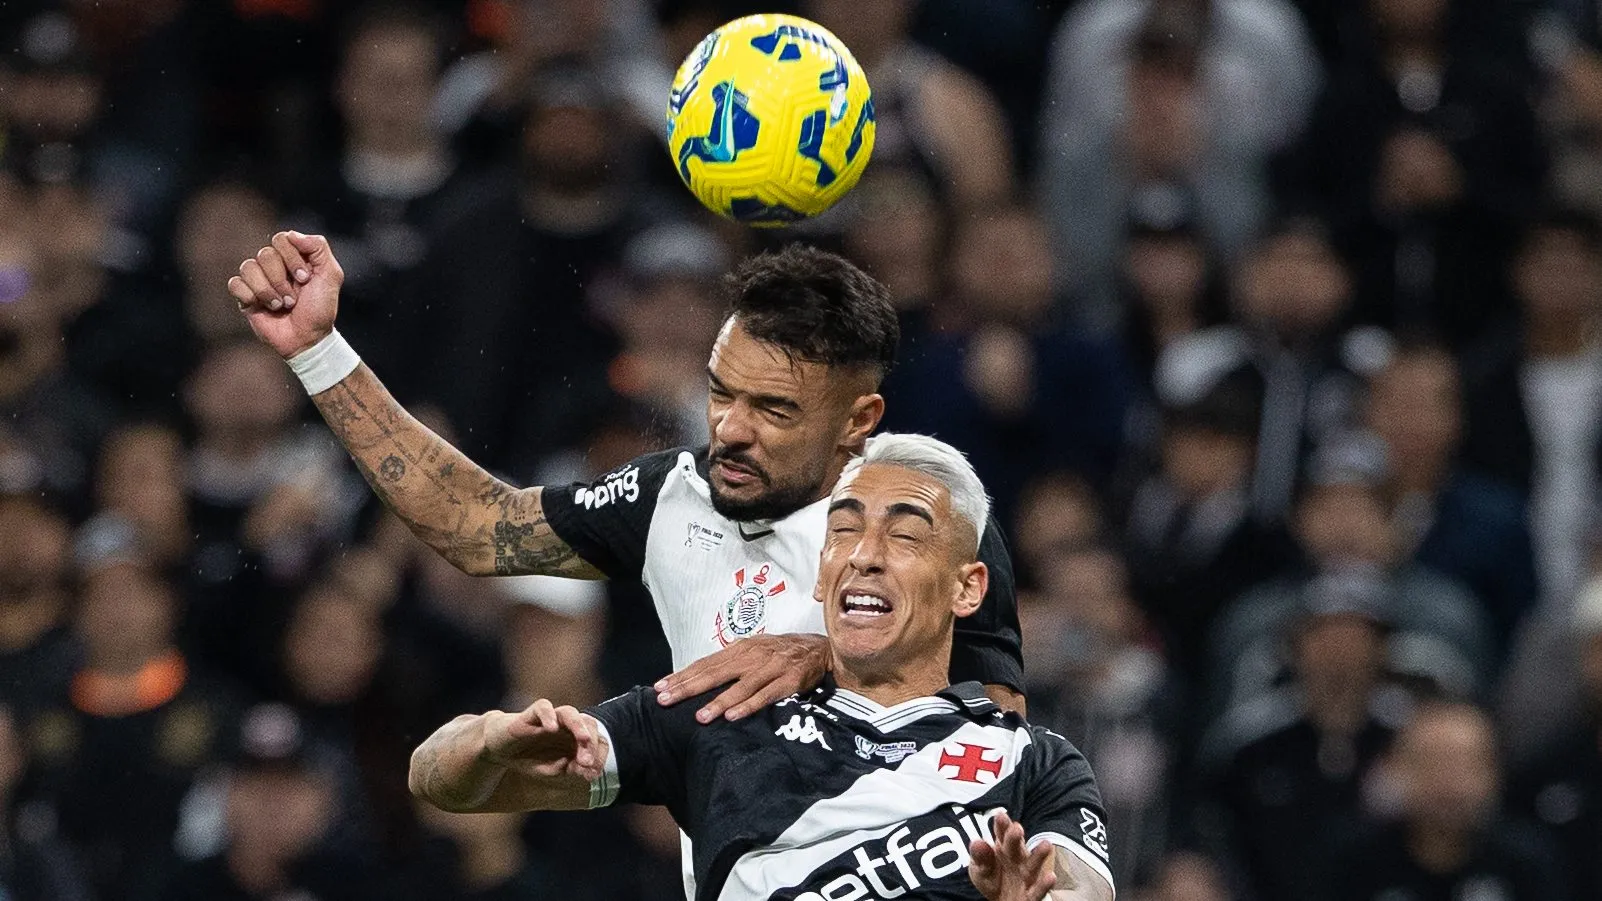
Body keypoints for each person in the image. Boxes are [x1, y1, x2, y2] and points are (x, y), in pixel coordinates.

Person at [225, 231, 1024, 722]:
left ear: (857, 420)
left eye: (775, 409)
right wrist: (318, 350)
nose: (731, 429)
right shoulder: (667, 494)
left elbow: (994, 739)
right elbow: (473, 523)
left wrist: (823, 658)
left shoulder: (937, 516)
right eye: (722, 395)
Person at [407, 433, 1114, 901]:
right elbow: (440, 780)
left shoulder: (1037, 763)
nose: (864, 554)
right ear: (821, 574)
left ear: (968, 588)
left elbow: (1081, 887)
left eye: (903, 535)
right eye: (844, 530)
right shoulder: (728, 712)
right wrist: (487, 740)